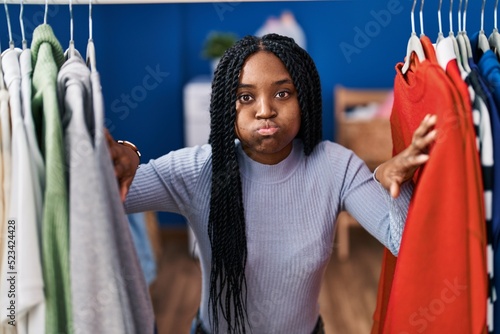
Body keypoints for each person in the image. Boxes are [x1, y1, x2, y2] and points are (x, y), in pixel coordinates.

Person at [106, 33, 437, 334]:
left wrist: (388, 180)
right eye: (245, 97)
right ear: (226, 108)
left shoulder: (335, 166)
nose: (265, 110)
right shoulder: (198, 170)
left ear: (303, 98)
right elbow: (104, 196)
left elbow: (405, 243)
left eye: (282, 93)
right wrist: (126, 156)